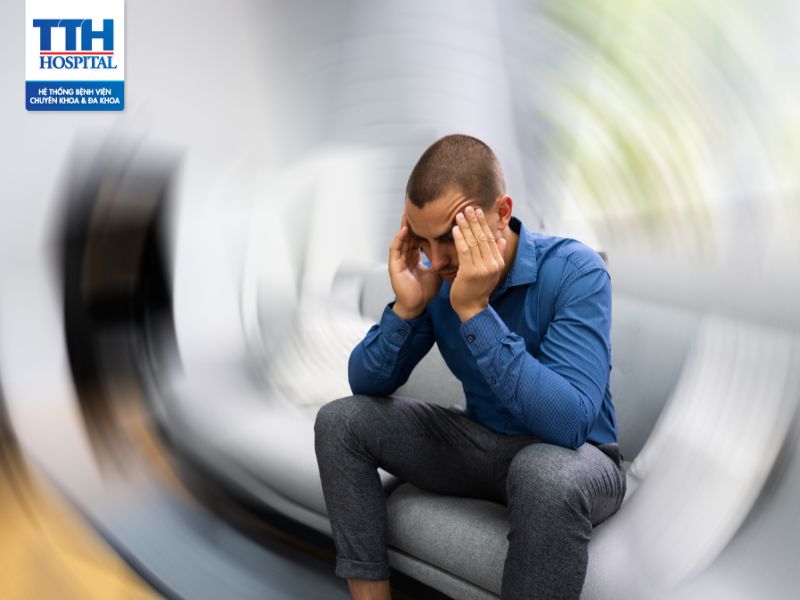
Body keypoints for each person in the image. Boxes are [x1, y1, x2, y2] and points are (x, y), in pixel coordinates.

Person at [314, 134, 625, 600]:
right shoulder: (436, 278)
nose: (437, 259)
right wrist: (407, 307)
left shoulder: (575, 271)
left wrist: (476, 311)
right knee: (340, 422)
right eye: (423, 240)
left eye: (449, 238)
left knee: (543, 474)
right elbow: (366, 382)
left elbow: (570, 424)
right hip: (479, 443)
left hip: (577, 459)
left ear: (502, 212)